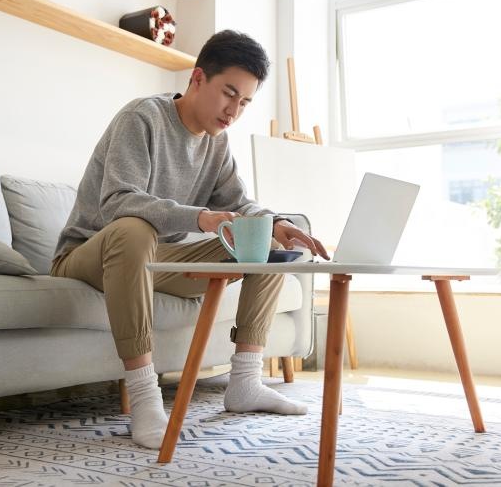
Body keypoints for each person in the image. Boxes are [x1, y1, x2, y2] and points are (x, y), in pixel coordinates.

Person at [51, 29, 329, 450]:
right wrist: (201, 217)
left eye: (245, 102)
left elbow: (240, 204)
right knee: (132, 228)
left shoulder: (217, 144)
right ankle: (146, 399)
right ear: (198, 79)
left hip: (156, 260)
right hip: (89, 254)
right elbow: (117, 204)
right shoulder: (142, 117)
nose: (234, 110)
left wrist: (274, 222)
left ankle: (245, 382)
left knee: (264, 240)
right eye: (228, 94)